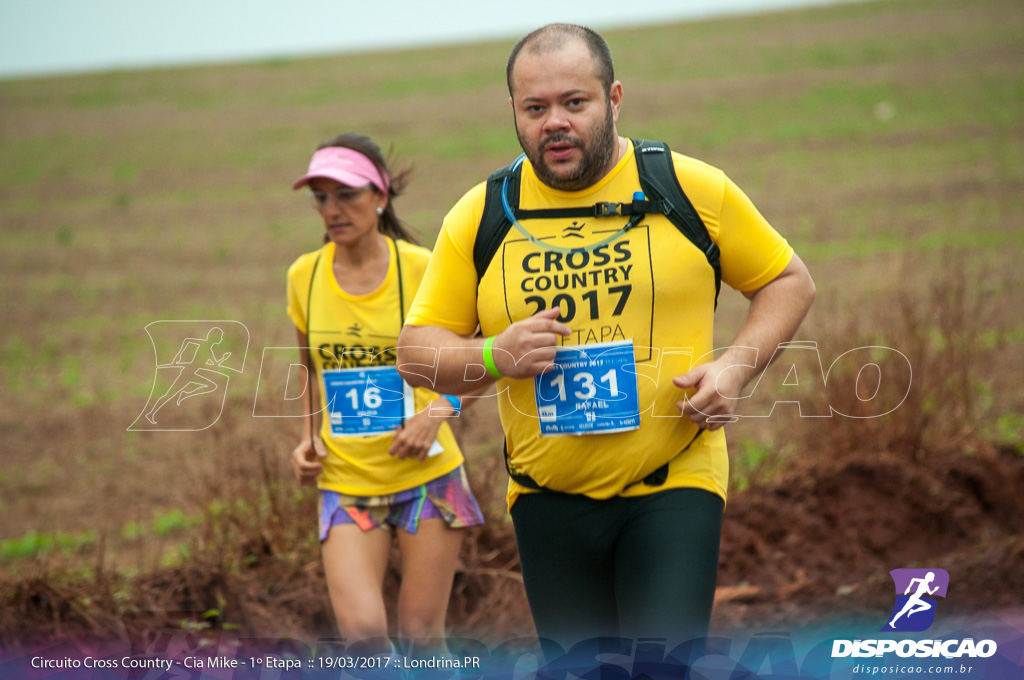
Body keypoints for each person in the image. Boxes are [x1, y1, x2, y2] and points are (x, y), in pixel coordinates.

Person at [397, 24, 815, 647]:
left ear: (614, 98)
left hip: (673, 479)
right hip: (546, 499)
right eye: (535, 108)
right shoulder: (482, 215)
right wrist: (495, 354)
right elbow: (416, 353)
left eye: (575, 102)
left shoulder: (686, 188)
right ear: (512, 110)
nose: (554, 123)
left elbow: (788, 281)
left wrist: (733, 369)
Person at [285, 133, 484, 656]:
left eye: (346, 195)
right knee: (366, 638)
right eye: (321, 198)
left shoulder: (423, 268)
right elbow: (309, 370)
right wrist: (306, 438)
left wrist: (437, 414)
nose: (332, 210)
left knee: (423, 639)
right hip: (347, 480)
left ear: (380, 195)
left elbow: (482, 357)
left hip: (429, 478)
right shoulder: (302, 277)